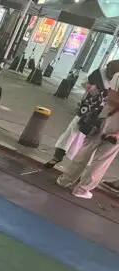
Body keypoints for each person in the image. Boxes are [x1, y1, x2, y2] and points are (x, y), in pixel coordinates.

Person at [45, 61, 119, 168]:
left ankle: (77, 167)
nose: (111, 76)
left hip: (102, 117)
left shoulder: (116, 82)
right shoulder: (98, 74)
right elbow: (86, 83)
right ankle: (57, 157)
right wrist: (90, 88)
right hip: (87, 110)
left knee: (87, 142)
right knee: (71, 133)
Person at [57, 72, 119, 200]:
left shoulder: (117, 75)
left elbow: (109, 96)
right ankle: (82, 189)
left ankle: (65, 180)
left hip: (103, 115)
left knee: (85, 150)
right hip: (116, 124)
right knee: (102, 160)